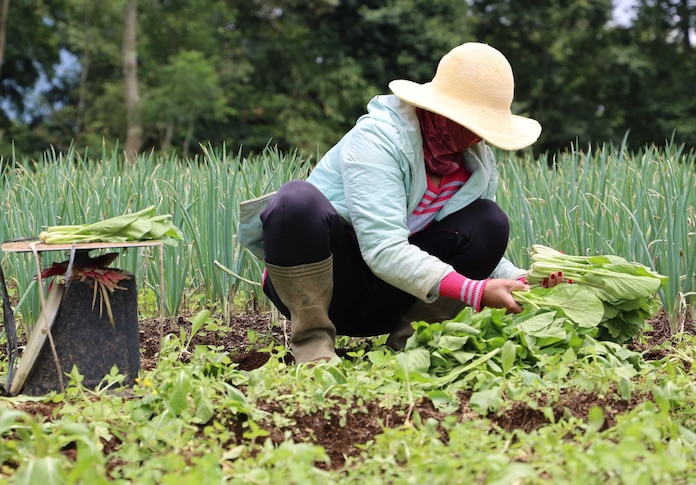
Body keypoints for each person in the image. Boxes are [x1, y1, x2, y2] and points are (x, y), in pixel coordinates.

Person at [238, 42, 555, 363]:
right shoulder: (379, 140)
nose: (480, 137)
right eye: (475, 124)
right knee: (295, 201)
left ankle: (411, 346)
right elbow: (383, 248)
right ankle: (314, 349)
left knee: (490, 221)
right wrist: (474, 291)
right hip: (333, 285)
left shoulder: (477, 164)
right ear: (444, 112)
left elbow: (478, 247)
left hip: (396, 297)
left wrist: (525, 280)